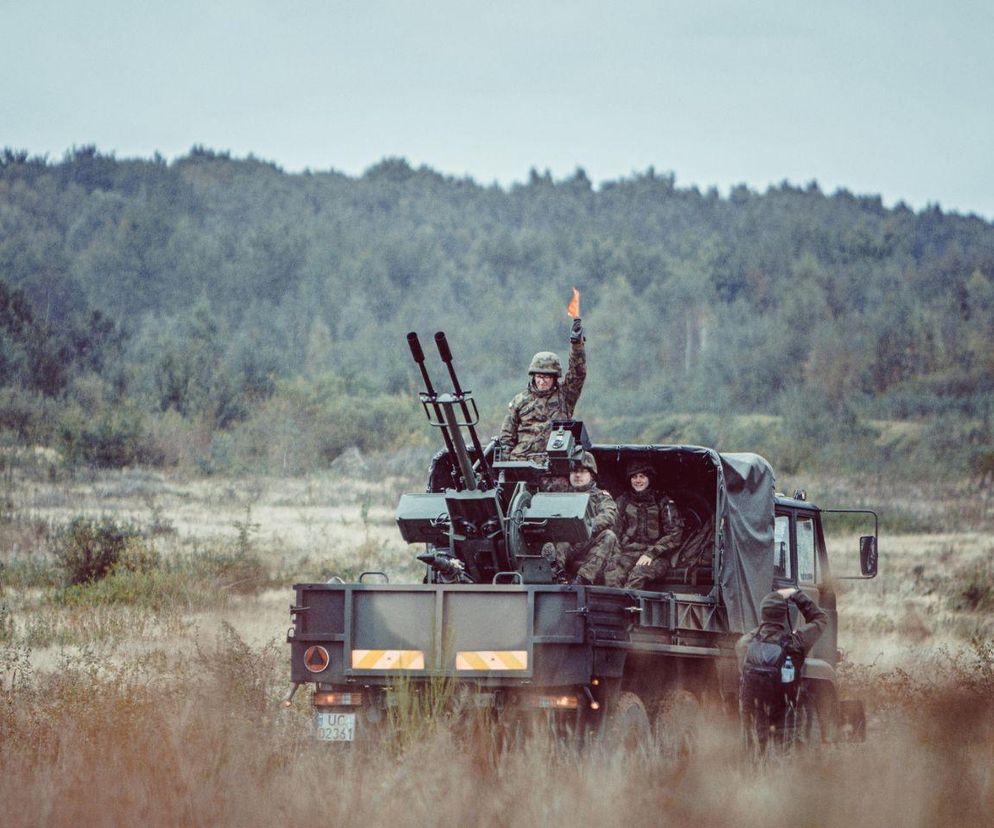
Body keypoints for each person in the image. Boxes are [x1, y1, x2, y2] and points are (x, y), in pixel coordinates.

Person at [736, 588, 828, 758]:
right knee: (784, 761)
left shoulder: (745, 643)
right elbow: (821, 618)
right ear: (783, 615)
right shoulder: (796, 642)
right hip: (787, 718)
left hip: (755, 718)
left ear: (763, 614)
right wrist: (795, 594)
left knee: (756, 761)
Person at [500, 318, 586, 462]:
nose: (542, 381)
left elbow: (578, 373)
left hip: (554, 463)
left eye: (546, 377)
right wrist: (506, 464)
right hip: (522, 462)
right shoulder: (520, 400)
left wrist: (576, 344)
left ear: (554, 377)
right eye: (539, 376)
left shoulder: (564, 396)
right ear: (533, 376)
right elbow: (507, 436)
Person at [605, 460, 685, 589]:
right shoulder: (623, 501)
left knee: (639, 573)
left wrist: (651, 553)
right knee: (612, 574)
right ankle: (614, 606)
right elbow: (614, 532)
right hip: (628, 553)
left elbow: (675, 535)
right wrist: (615, 556)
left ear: (649, 478)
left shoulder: (663, 502)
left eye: (642, 476)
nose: (638, 480)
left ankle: (629, 608)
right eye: (634, 477)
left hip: (656, 557)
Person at [546, 451, 618, 585]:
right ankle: (557, 576)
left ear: (592, 475)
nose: (577, 475)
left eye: (583, 471)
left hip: (589, 544)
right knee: (557, 542)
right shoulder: (562, 495)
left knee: (609, 536)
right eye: (574, 471)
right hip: (567, 544)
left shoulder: (601, 496)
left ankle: (581, 580)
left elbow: (609, 516)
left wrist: (584, 526)